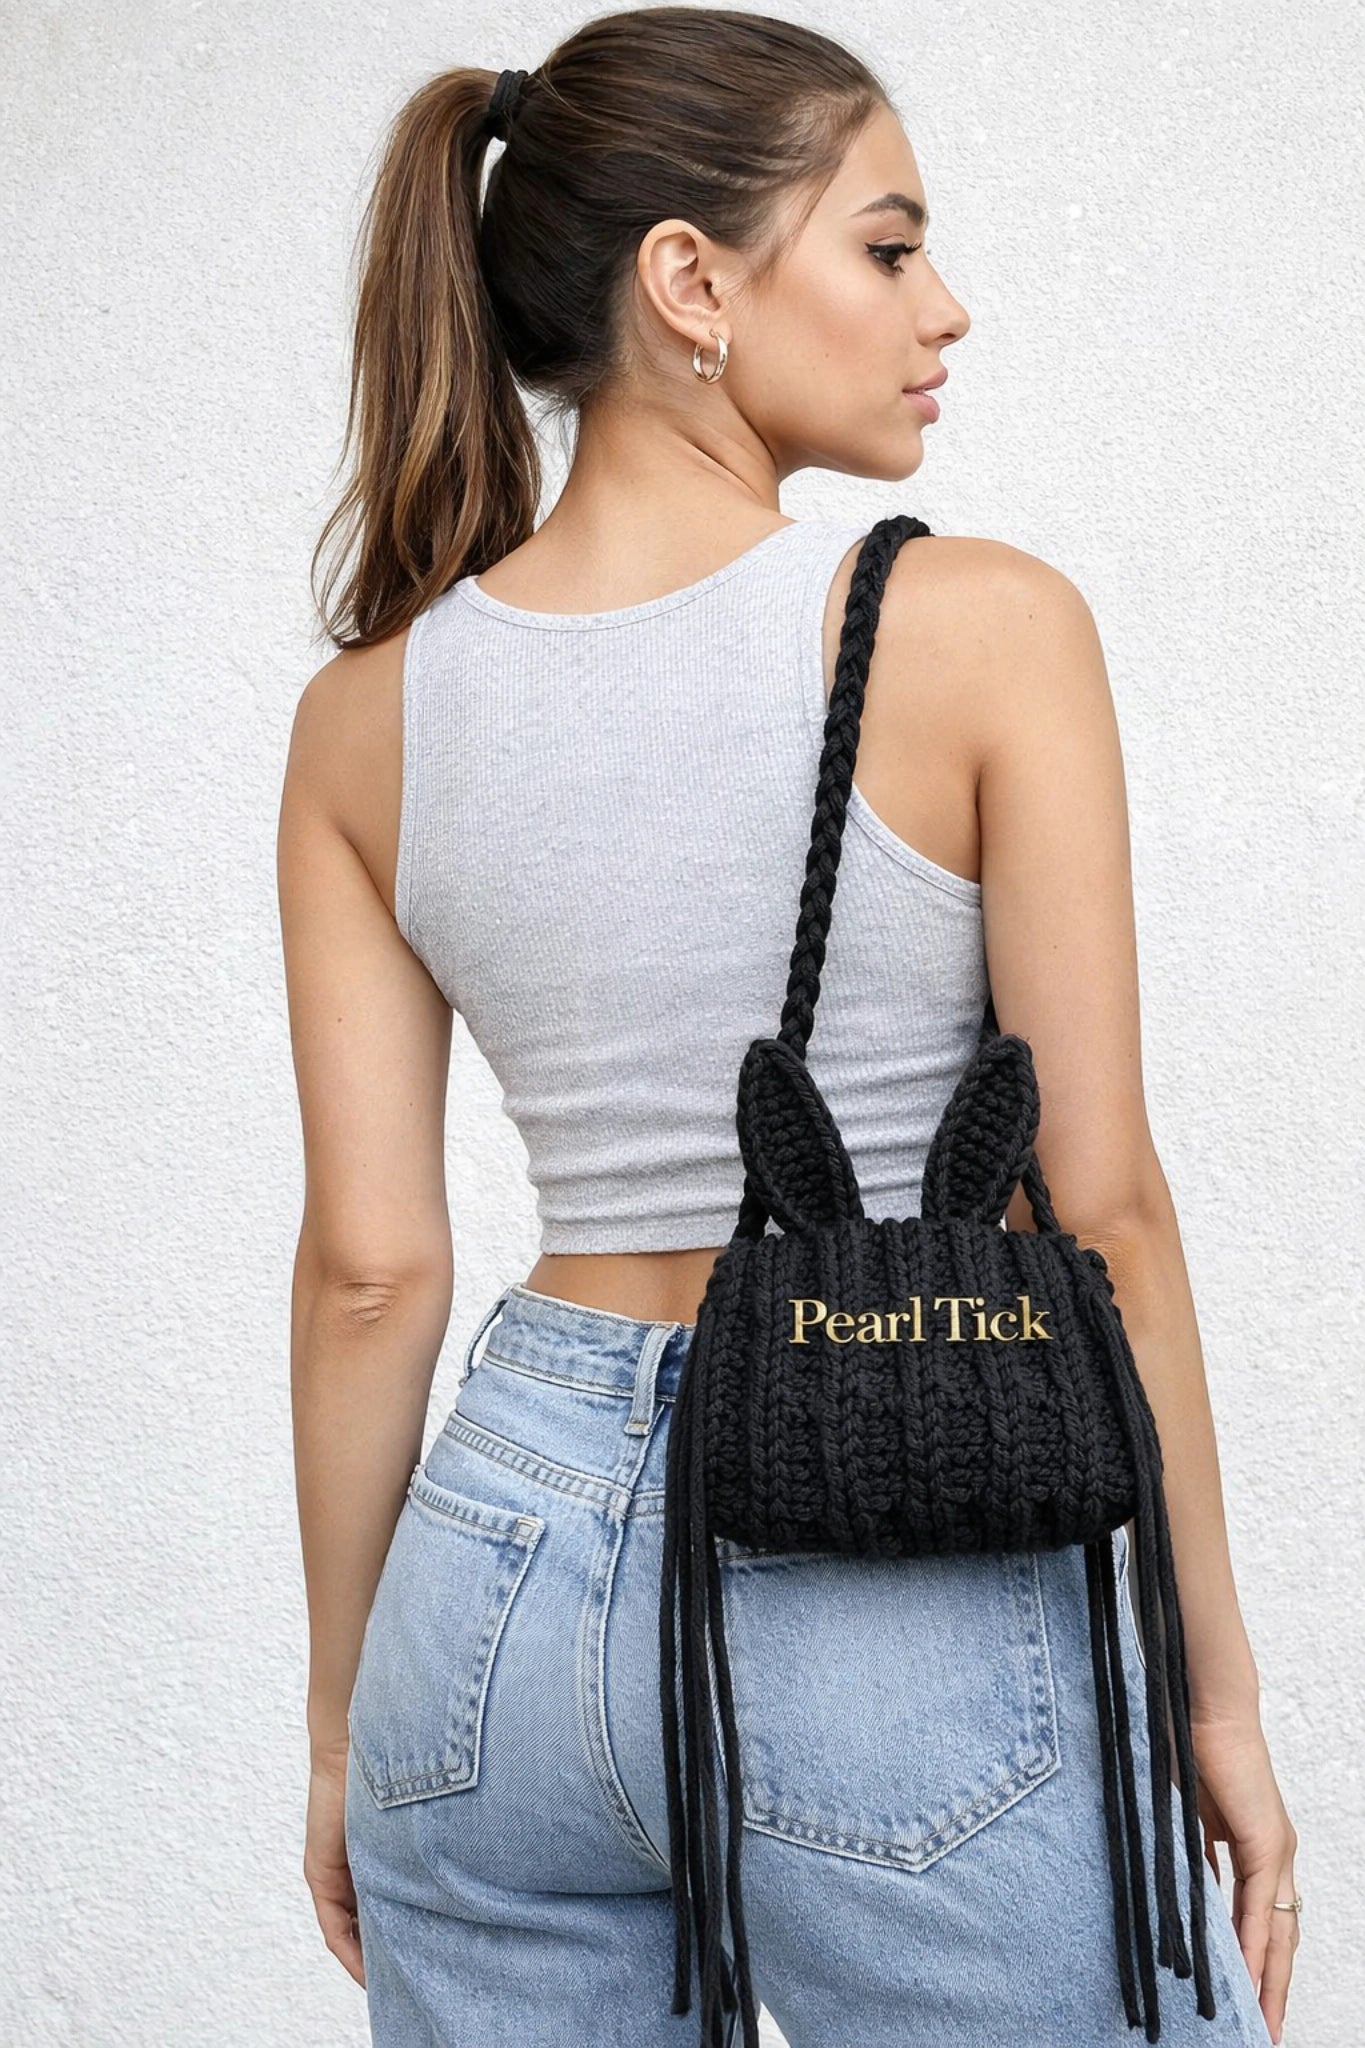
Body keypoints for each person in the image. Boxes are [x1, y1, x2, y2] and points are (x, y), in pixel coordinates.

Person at [277, 11, 1300, 2045]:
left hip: (486, 1599)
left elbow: (374, 1272)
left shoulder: (365, 719)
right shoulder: (976, 626)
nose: (945, 308)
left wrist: (339, 1727)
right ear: (689, 285)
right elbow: (1097, 1204)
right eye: (888, 245)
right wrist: (1215, 1693)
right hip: (883, 1548)